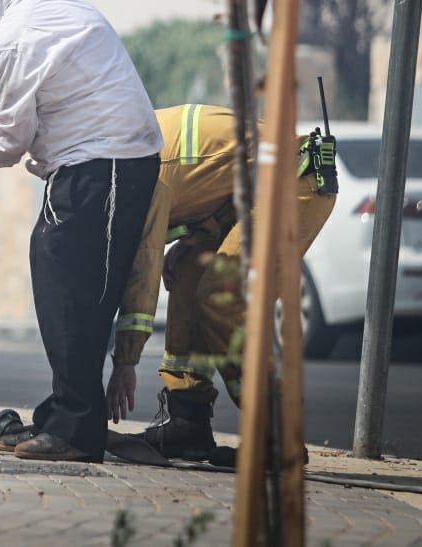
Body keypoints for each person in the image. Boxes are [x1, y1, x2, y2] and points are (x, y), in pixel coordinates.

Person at [0, 0, 162, 463]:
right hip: (100, 160)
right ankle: (68, 416)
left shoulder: (8, 39)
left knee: (75, 294)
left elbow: (9, 140)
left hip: (105, 163)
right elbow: (22, 70)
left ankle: (75, 431)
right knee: (65, 286)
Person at [106, 103, 337, 461]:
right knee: (187, 274)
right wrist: (200, 236)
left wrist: (126, 361)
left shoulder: (143, 165)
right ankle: (188, 423)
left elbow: (144, 267)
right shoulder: (129, 145)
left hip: (297, 179)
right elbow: (216, 178)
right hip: (249, 196)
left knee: (221, 296)